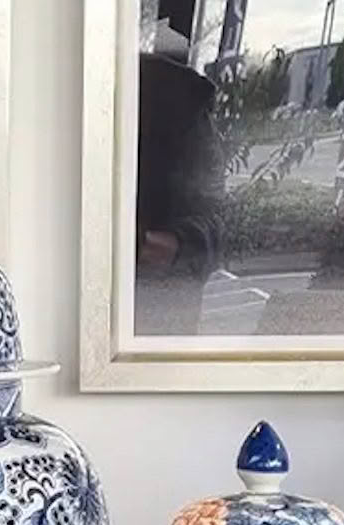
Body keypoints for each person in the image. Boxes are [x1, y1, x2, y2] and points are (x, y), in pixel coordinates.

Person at [136, 43, 224, 335]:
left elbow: (216, 224)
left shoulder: (177, 97)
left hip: (156, 319)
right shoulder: (55, 81)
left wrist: (174, 244)